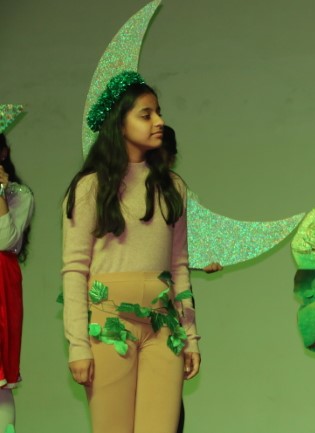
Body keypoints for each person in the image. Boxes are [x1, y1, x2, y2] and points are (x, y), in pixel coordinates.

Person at [62, 71, 200, 433]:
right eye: (146, 114)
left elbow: (179, 267)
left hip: (162, 326)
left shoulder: (173, 187)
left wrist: (190, 336)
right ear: (119, 124)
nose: (159, 121)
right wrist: (79, 345)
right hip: (108, 325)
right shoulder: (89, 188)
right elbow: (75, 270)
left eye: (159, 113)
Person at [161, 125, 221, 433]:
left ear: (172, 158)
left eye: (163, 155)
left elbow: (180, 253)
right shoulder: (115, 187)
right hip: (130, 306)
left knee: (168, 397)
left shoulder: (175, 190)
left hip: (170, 304)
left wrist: (201, 259)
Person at [0, 133, 33, 432]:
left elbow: (6, 240)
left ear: (4, 153)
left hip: (2, 283)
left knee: (1, 377)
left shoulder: (19, 195)